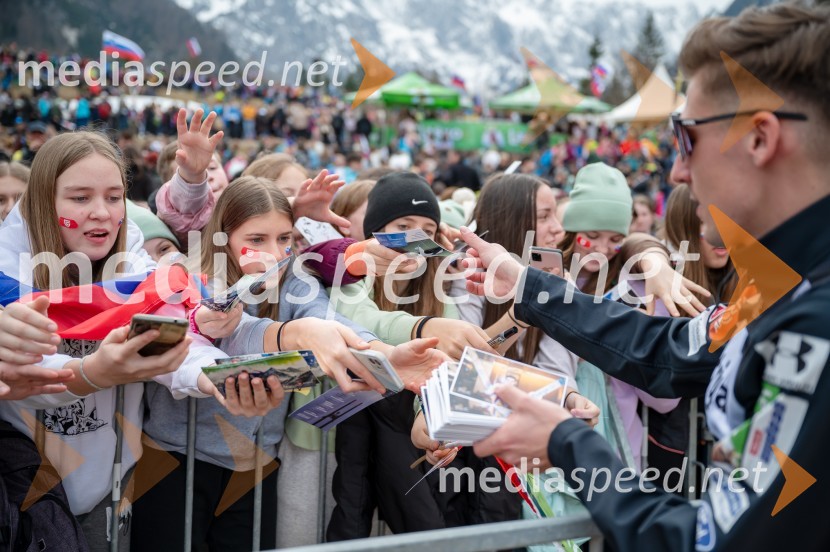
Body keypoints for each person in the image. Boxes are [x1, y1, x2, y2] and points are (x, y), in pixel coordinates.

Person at [463, 4, 830, 549]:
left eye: (685, 137)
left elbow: (710, 541)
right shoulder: (779, 286)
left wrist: (569, 445)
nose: (677, 171)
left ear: (760, 138)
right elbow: (662, 351)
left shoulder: (815, 315)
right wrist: (526, 284)